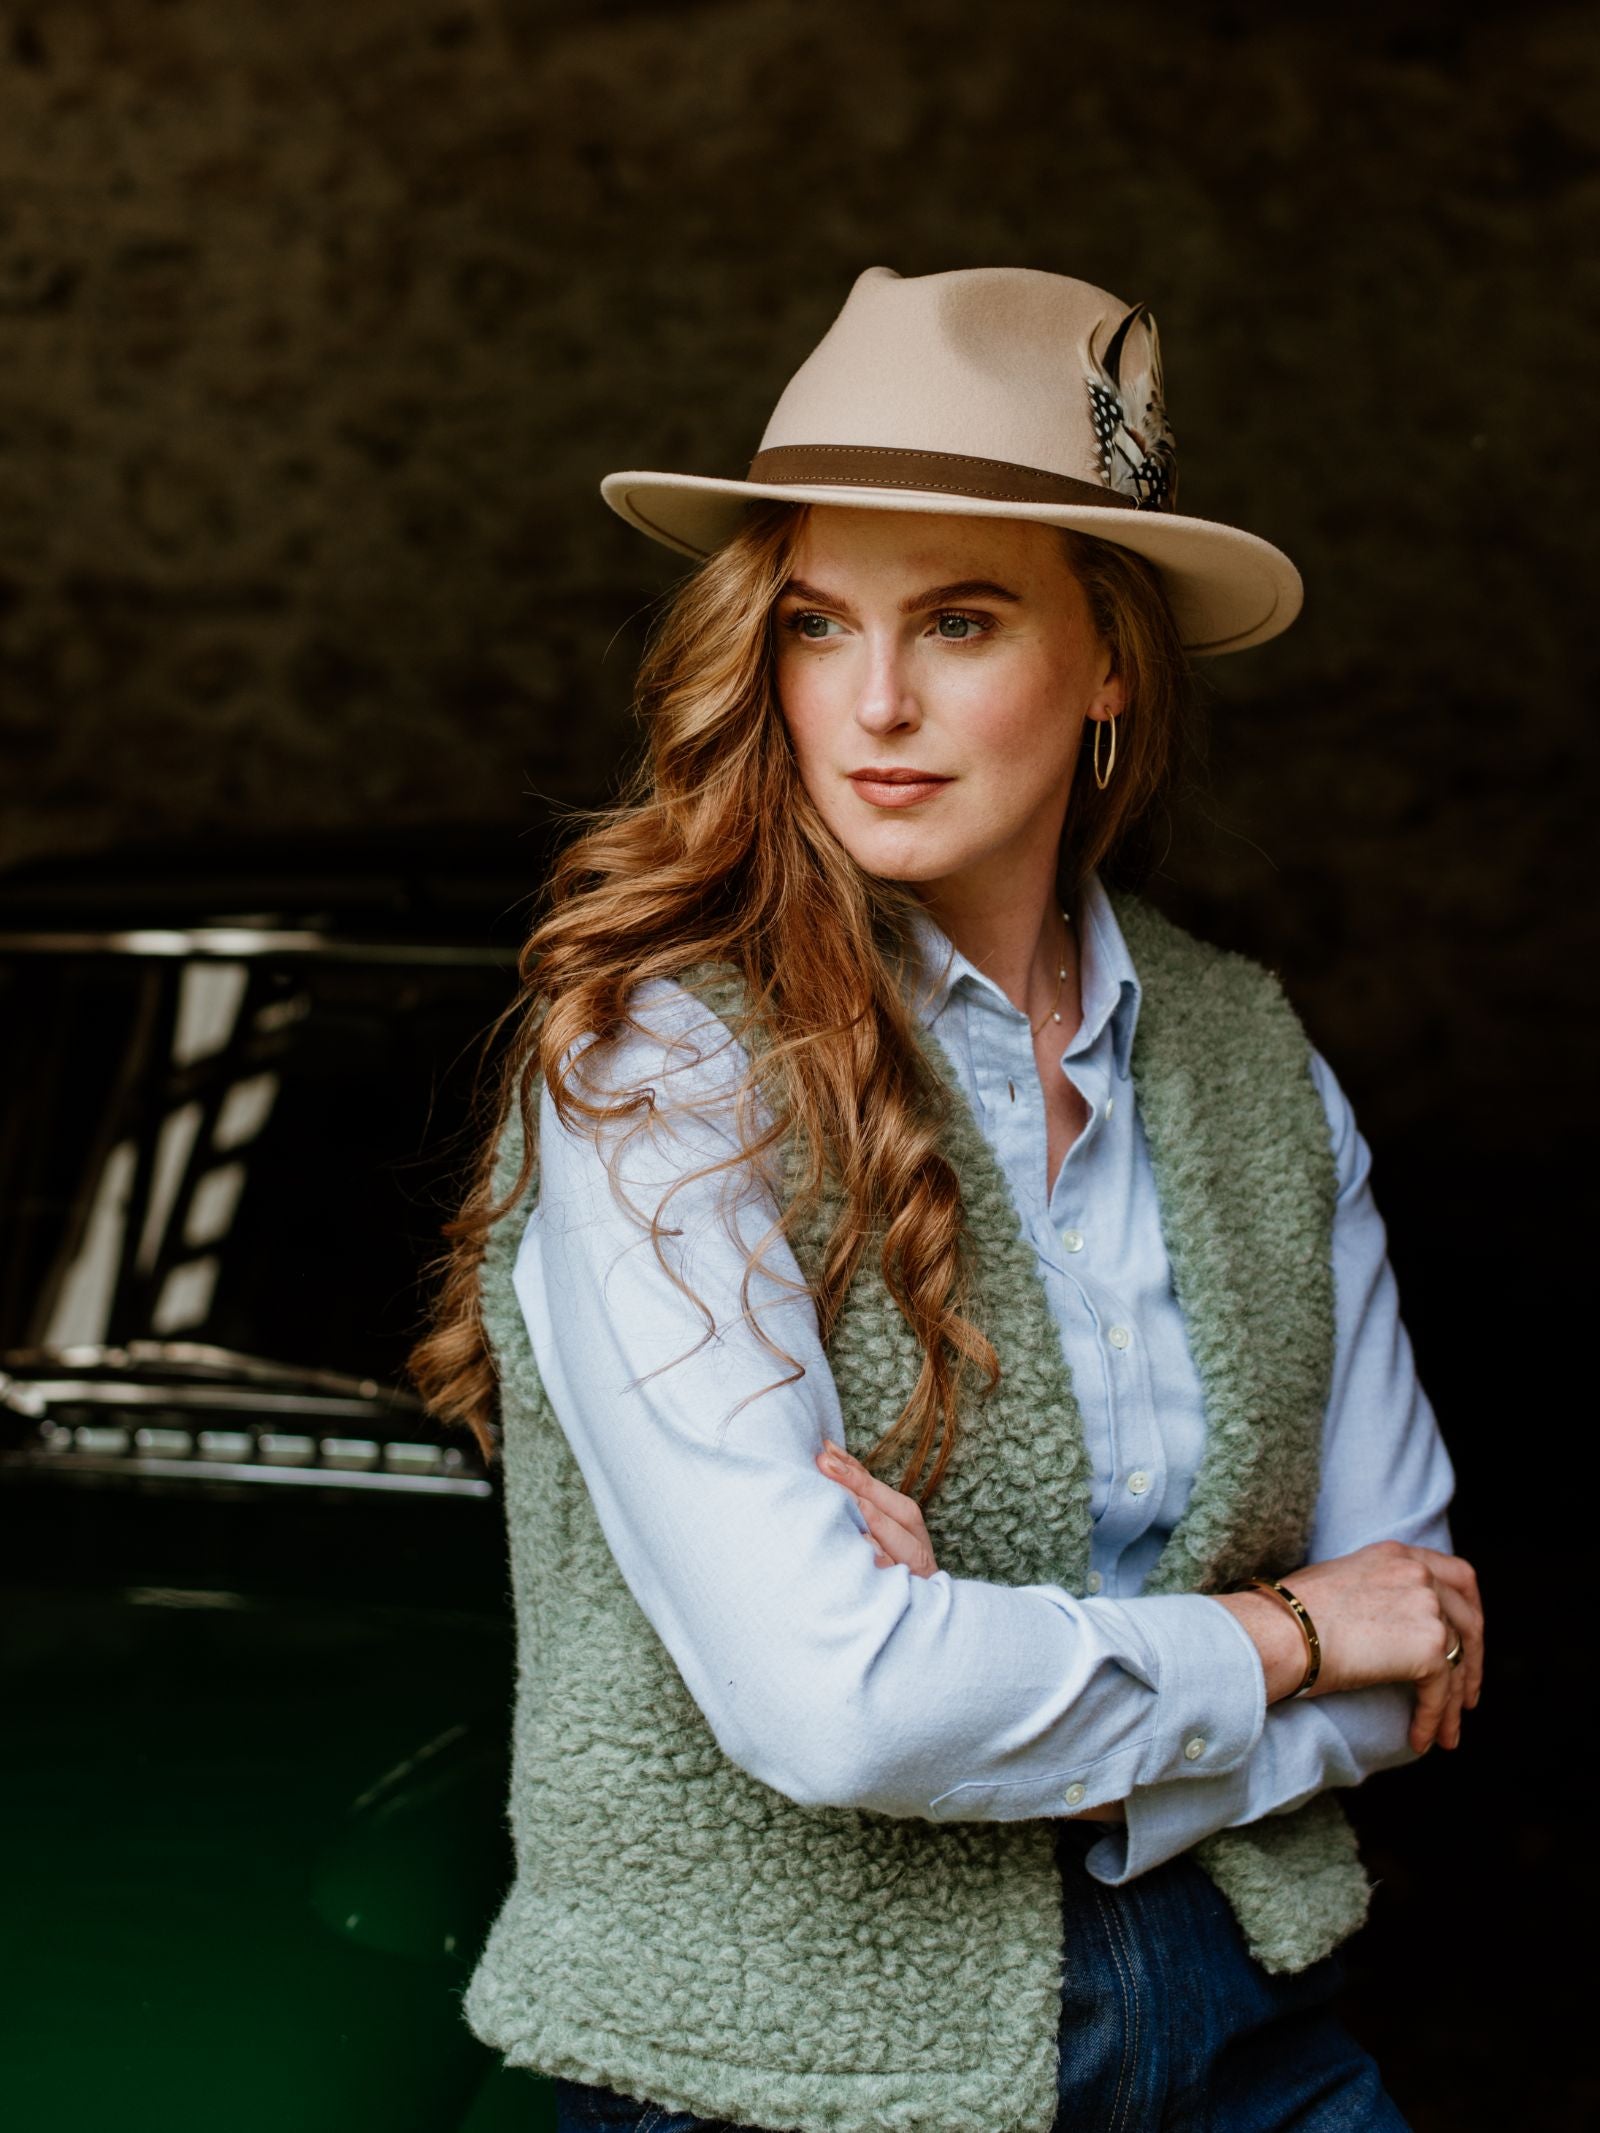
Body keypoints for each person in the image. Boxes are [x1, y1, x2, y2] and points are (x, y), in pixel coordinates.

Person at [409, 265, 1483, 2133]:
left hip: (1242, 2034)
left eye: (963, 619)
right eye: (819, 622)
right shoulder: (668, 1074)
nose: (876, 702)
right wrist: (1286, 1635)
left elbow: (1430, 1638)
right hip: (781, 2078)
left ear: (1112, 666)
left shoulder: (1246, 1059)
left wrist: (982, 1676)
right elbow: (838, 1706)